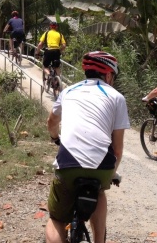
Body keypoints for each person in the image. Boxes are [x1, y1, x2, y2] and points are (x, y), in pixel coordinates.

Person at [46, 51, 130, 243]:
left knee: (57, 219)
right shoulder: (117, 97)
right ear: (108, 75)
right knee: (99, 190)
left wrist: (55, 138)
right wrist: (112, 174)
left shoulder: (68, 91)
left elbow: (51, 121)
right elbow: (117, 149)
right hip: (102, 165)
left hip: (68, 163)